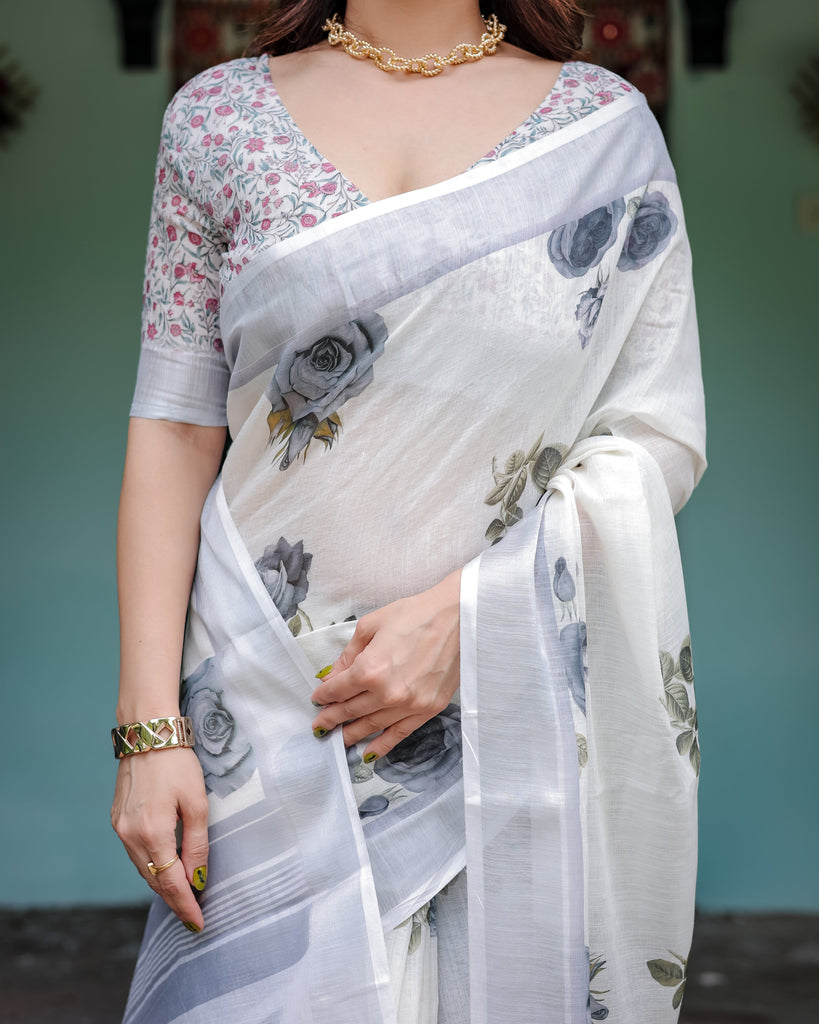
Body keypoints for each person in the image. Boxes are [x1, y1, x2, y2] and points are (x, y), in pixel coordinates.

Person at [111, 1, 706, 1021]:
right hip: (266, 707)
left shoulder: (604, 132)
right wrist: (147, 728)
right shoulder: (215, 121)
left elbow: (655, 431)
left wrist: (470, 617)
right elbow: (173, 429)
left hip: (507, 704)